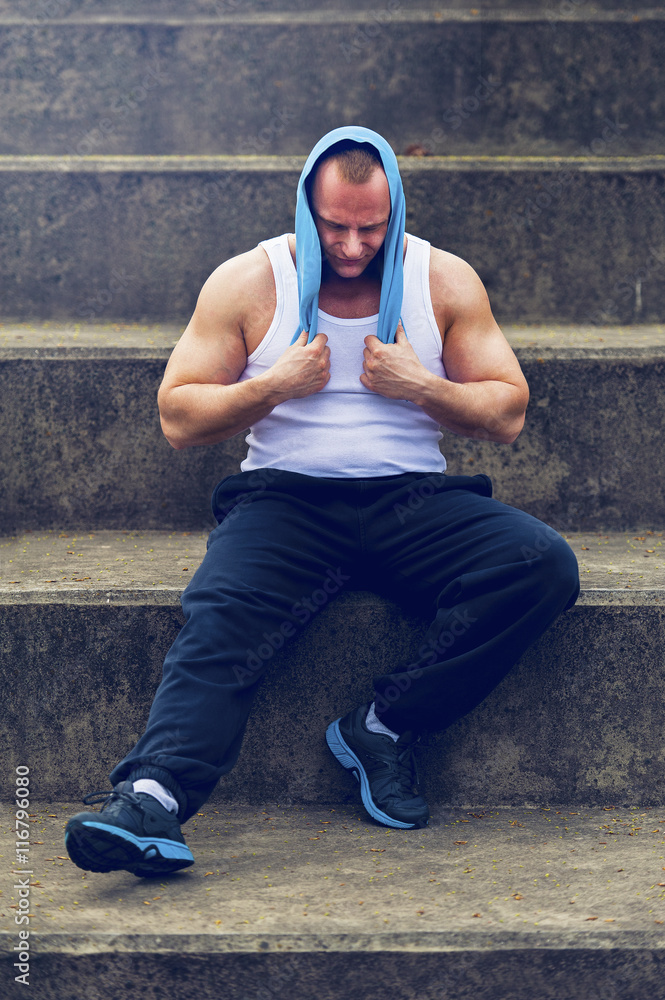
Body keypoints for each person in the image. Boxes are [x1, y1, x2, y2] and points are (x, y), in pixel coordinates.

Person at [64, 126, 579, 878]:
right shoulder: (249, 281)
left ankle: (383, 727)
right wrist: (274, 385)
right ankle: (152, 796)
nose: (352, 245)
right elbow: (178, 417)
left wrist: (420, 385)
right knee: (222, 610)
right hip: (284, 503)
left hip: (412, 500)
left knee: (541, 565)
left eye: (371, 228)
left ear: (395, 211)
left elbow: (507, 412)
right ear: (306, 205)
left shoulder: (441, 279)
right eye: (335, 226)